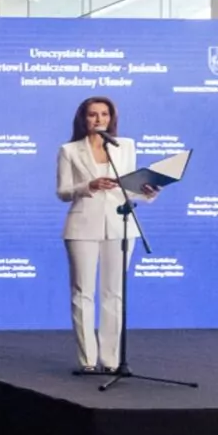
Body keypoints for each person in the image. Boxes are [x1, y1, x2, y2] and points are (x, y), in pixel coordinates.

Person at [55, 96, 159, 373]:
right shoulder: (69, 150)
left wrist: (148, 192)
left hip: (120, 225)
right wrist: (88, 185)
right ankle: (87, 360)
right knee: (82, 292)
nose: (99, 119)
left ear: (112, 118)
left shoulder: (125, 146)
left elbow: (130, 188)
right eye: (93, 114)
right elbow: (63, 192)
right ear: (83, 118)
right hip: (82, 225)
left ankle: (111, 361)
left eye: (104, 114)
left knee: (114, 293)